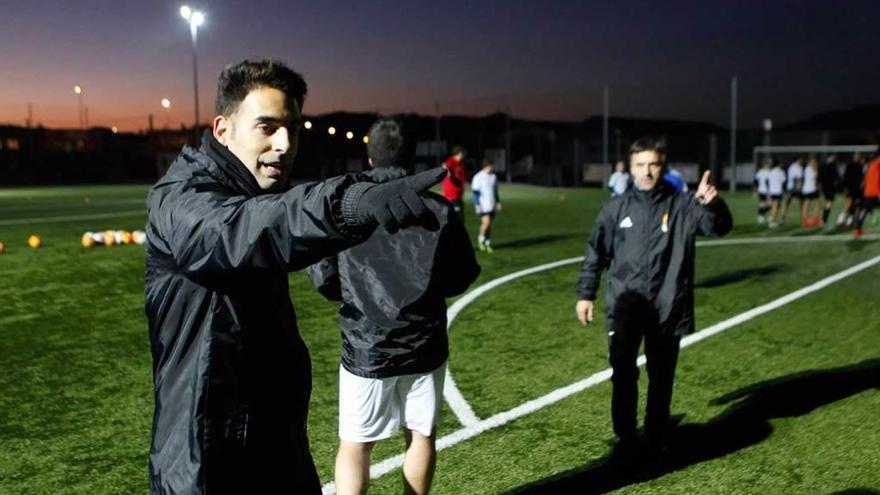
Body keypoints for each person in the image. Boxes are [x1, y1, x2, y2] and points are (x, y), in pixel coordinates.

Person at [144, 59, 448, 494]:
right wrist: (348, 203)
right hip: (205, 459)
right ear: (223, 129)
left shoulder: (255, 191)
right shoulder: (182, 199)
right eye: (266, 127)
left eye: (293, 128)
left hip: (275, 445)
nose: (285, 144)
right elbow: (235, 232)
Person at [306, 119, 480, 495]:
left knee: (356, 444)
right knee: (420, 435)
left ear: (370, 158)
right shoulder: (439, 209)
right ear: (413, 157)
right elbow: (463, 273)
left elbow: (323, 278)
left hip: (366, 345)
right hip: (424, 343)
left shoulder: (348, 208)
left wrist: (357, 294)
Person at [575, 137, 732, 461]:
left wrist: (711, 205)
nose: (647, 171)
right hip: (625, 306)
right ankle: (626, 437)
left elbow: (718, 228)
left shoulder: (684, 205)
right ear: (631, 168)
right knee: (623, 373)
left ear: (663, 166)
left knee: (661, 377)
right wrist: (585, 294)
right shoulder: (614, 208)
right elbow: (596, 253)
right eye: (640, 165)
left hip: (666, 304)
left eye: (653, 164)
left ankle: (657, 433)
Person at [471, 157, 501, 252]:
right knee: (486, 222)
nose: (493, 167)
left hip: (491, 204)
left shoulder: (493, 177)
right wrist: (477, 205)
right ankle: (481, 240)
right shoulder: (478, 177)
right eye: (492, 166)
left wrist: (498, 202)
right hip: (483, 205)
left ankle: (487, 243)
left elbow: (495, 191)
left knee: (489, 224)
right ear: (487, 166)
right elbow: (475, 193)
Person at [853, 152, 880, 238]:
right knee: (864, 210)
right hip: (874, 192)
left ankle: (858, 229)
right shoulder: (875, 164)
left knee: (864, 210)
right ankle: (857, 229)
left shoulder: (869, 167)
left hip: (869, 192)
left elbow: (865, 181)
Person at [839, 152, 866, 227]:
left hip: (857, 189)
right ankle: (840, 219)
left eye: (858, 156)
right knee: (848, 202)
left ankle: (849, 221)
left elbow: (862, 177)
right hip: (850, 187)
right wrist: (845, 187)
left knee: (854, 204)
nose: (857, 157)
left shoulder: (860, 166)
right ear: (854, 157)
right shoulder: (850, 165)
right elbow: (845, 177)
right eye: (856, 156)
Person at [442, 145, 468, 221]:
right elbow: (445, 168)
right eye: (463, 153)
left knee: (461, 218)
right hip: (452, 195)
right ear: (459, 153)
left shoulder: (460, 163)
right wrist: (448, 172)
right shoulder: (451, 162)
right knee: (457, 217)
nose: (464, 155)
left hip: (459, 195)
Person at [818, 153, 841, 226]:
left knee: (827, 202)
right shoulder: (833, 165)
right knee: (829, 203)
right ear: (831, 157)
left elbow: (820, 176)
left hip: (825, 187)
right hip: (830, 187)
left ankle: (823, 219)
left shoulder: (822, 165)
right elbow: (837, 176)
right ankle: (823, 220)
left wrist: (819, 184)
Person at [780, 156, 804, 225]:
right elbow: (796, 178)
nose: (801, 161)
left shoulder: (796, 167)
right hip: (793, 188)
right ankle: (783, 219)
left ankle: (783, 218)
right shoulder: (795, 167)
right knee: (789, 203)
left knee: (788, 203)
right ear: (797, 160)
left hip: (793, 188)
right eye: (800, 159)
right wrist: (798, 187)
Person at [767, 158, 787, 227]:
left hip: (771, 191)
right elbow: (783, 180)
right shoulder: (780, 171)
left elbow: (769, 181)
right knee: (776, 206)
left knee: (776, 206)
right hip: (778, 191)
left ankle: (771, 217)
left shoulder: (771, 171)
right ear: (779, 164)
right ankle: (772, 221)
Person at [801, 157, 821, 226]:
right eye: (814, 162)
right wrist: (816, 169)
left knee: (807, 204)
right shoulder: (811, 169)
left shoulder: (807, 168)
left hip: (807, 189)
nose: (815, 163)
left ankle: (805, 220)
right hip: (811, 189)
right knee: (817, 203)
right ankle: (814, 219)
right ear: (810, 162)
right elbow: (815, 177)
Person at [754, 158, 772, 225]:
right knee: (770, 204)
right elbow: (768, 182)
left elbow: (756, 182)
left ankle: (760, 217)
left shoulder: (759, 172)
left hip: (760, 190)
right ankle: (764, 217)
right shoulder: (769, 172)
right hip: (766, 191)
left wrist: (755, 191)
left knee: (762, 204)